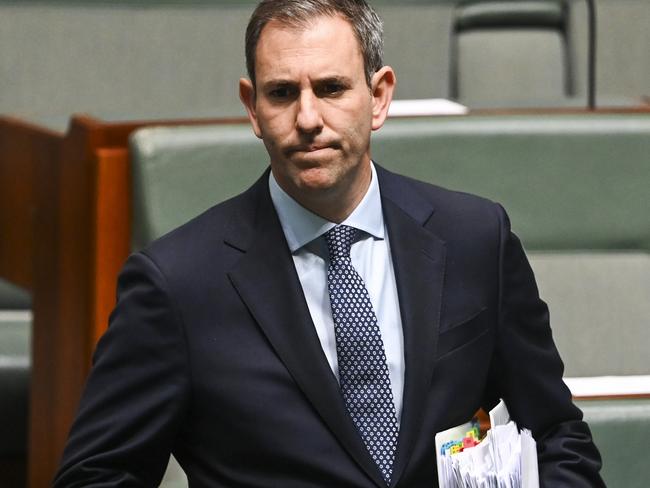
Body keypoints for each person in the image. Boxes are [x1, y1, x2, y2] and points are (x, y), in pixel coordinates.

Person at [54, 1, 605, 486]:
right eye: (282, 93)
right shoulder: (176, 283)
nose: (308, 118)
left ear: (380, 95)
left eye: (332, 87)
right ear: (252, 108)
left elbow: (558, 437)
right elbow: (97, 475)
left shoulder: (475, 239)